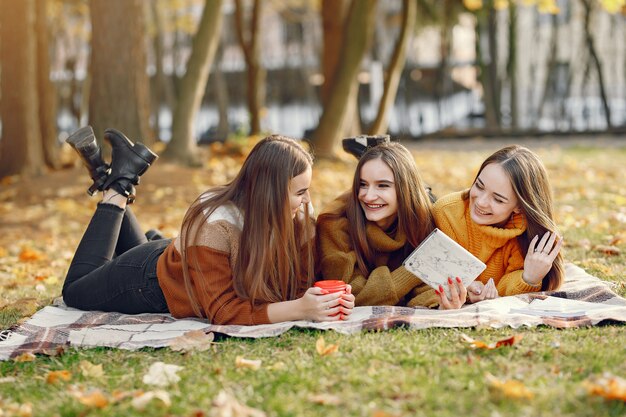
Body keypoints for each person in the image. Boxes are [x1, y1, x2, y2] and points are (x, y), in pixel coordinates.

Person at [62, 129, 355, 325]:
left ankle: (108, 174)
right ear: (271, 194)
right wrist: (299, 310)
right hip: (151, 281)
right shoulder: (215, 221)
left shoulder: (297, 213)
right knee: (75, 292)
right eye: (300, 192)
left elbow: (300, 280)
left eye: (307, 190)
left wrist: (323, 300)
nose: (307, 202)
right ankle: (116, 189)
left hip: (194, 261)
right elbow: (223, 311)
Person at [432, 144, 564, 310]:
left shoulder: (525, 234)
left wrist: (530, 278)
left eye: (498, 199)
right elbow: (427, 274)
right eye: (479, 186)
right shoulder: (446, 213)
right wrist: (464, 287)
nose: (481, 202)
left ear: (520, 207)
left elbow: (510, 284)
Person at [316, 142, 438, 307]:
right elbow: (351, 293)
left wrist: (441, 300)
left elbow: (429, 287)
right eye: (363, 184)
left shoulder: (422, 217)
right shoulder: (334, 222)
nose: (368, 196)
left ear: (405, 189)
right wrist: (414, 270)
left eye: (382, 186)